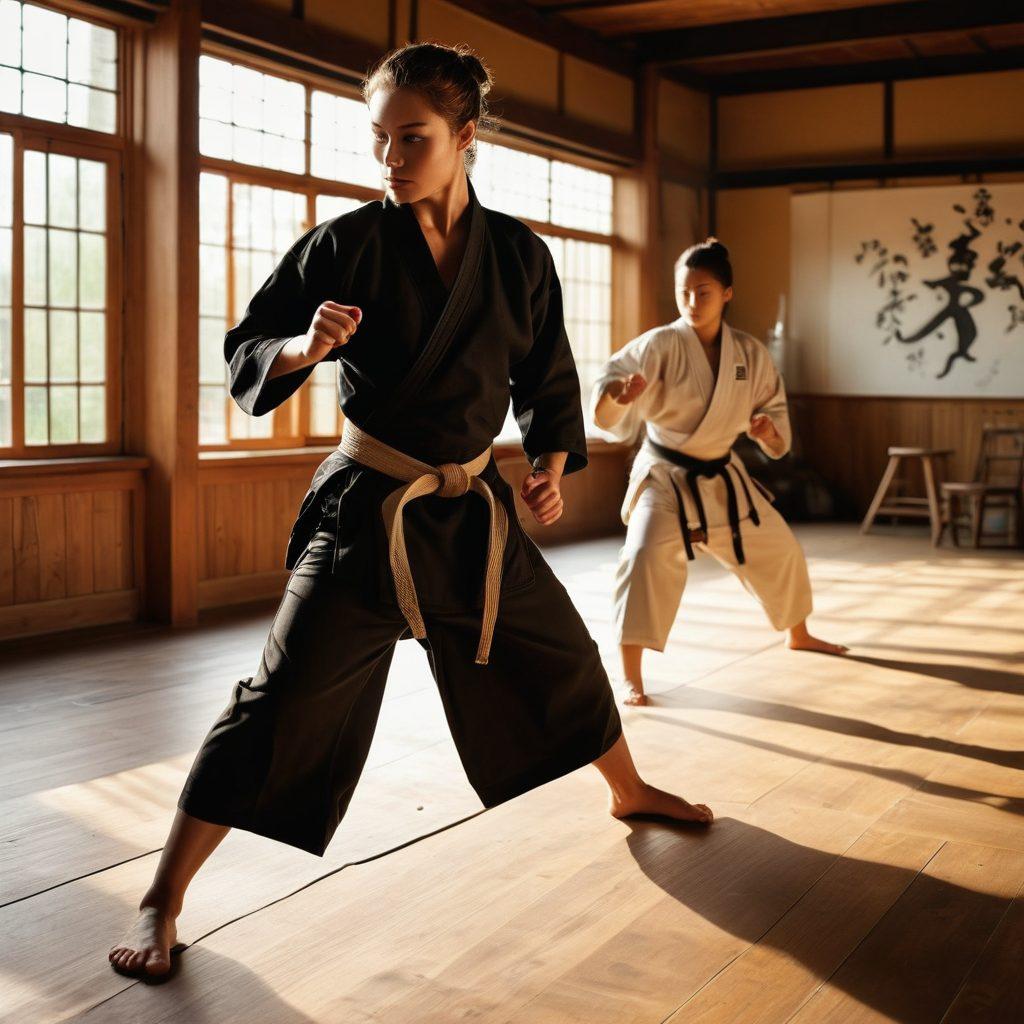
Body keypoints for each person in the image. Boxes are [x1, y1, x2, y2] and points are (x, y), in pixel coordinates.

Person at [108, 42, 713, 979]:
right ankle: (161, 898)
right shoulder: (342, 244)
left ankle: (628, 791)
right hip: (367, 512)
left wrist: (549, 464)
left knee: (558, 651)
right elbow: (245, 351)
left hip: (470, 512)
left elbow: (546, 378)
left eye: (413, 138)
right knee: (276, 702)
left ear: (465, 138)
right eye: (380, 138)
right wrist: (305, 349)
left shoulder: (517, 255)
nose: (390, 157)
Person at [590, 238, 848, 707]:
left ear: (728, 293)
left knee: (780, 547)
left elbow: (774, 417)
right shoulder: (660, 344)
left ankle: (799, 633)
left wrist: (766, 430)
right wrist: (619, 396)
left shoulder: (750, 354)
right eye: (683, 292)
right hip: (665, 474)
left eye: (703, 291)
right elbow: (607, 390)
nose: (691, 302)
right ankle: (631, 676)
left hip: (723, 474)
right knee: (644, 555)